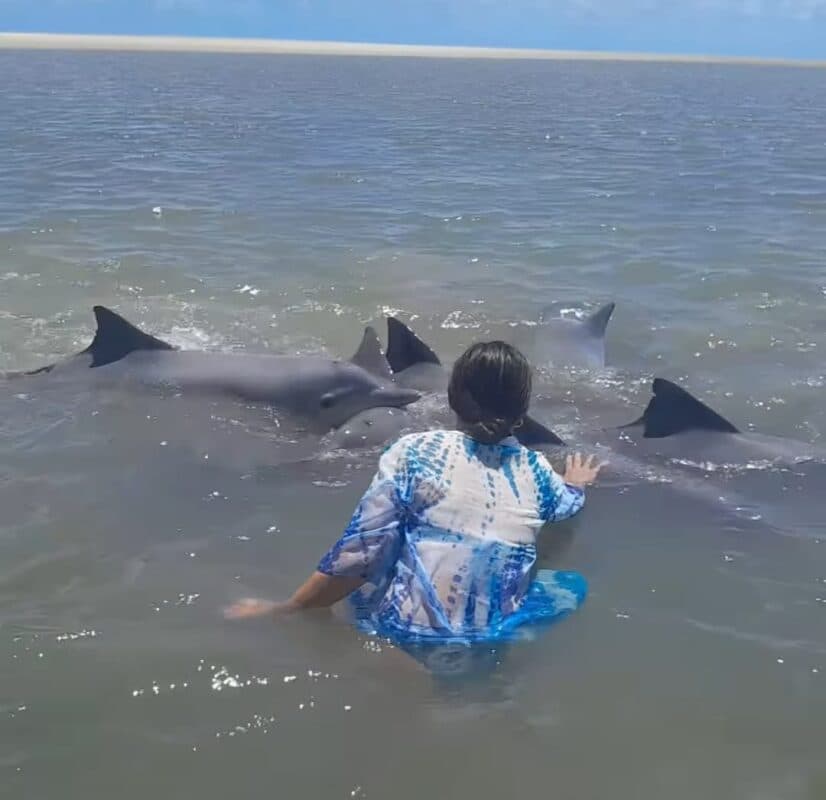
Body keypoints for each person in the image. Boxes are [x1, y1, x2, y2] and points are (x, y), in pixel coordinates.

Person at [225, 340, 603, 653]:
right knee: (570, 585)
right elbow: (568, 504)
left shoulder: (413, 451)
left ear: (453, 398)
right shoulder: (537, 471)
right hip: (487, 639)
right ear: (522, 410)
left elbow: (361, 552)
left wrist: (290, 608)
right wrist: (576, 481)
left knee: (388, 562)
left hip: (398, 632)